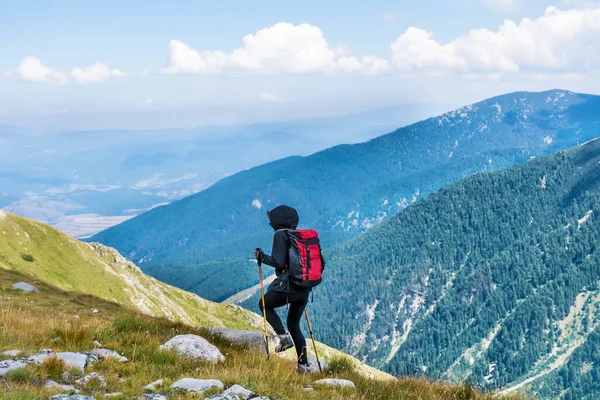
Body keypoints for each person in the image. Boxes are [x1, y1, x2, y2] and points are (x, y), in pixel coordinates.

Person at [254, 205, 312, 374]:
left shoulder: (280, 235)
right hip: (304, 287)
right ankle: (304, 366)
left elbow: (279, 262)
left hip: (289, 287)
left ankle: (283, 337)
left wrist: (262, 257)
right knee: (294, 325)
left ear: (276, 221)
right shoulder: (297, 235)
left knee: (264, 304)